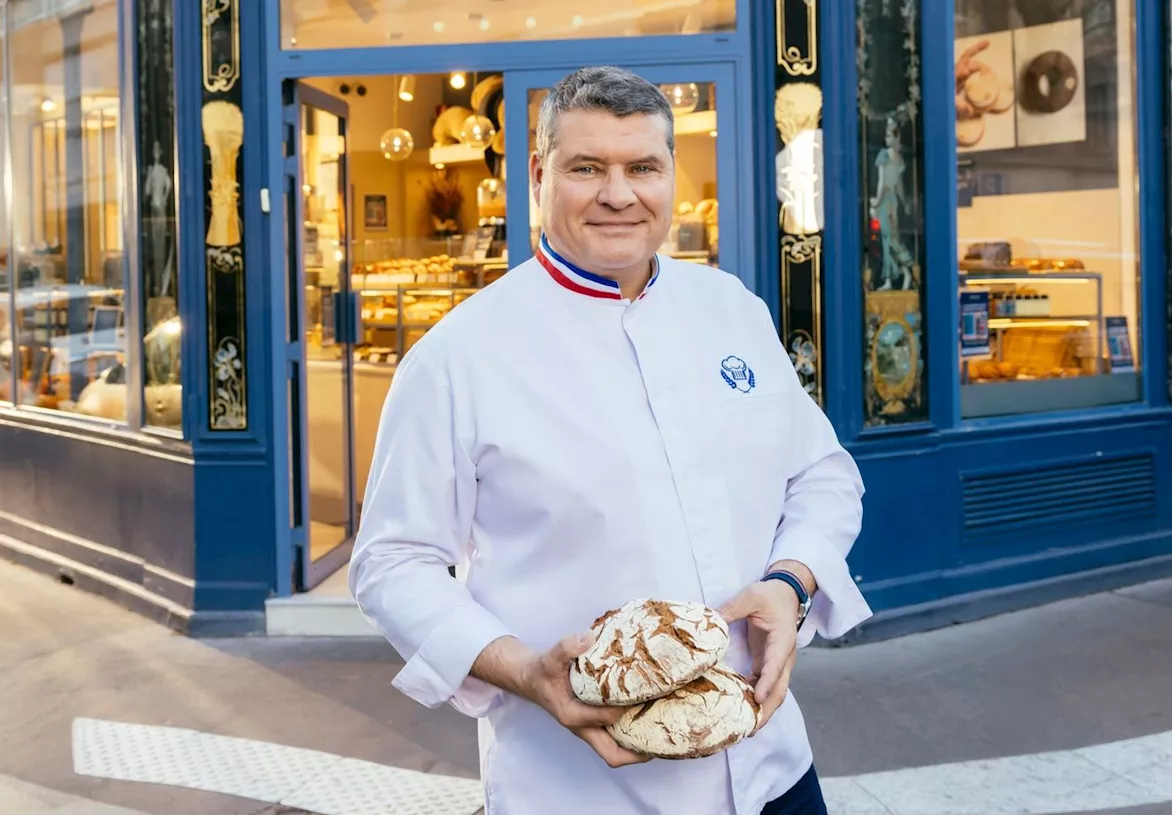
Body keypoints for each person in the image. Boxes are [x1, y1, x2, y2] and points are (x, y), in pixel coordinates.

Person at [350, 65, 872, 815]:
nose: (619, 194)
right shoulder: (455, 357)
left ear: (670, 176)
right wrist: (526, 670)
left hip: (773, 767)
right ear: (539, 174)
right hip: (577, 788)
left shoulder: (732, 310)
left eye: (643, 168)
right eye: (587, 167)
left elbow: (822, 477)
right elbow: (393, 561)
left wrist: (792, 584)